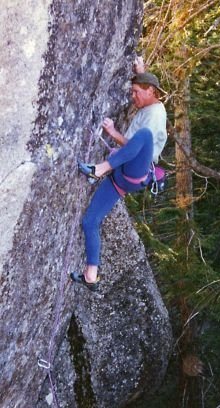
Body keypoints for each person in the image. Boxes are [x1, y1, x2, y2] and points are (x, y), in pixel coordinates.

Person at [70, 60, 167, 291]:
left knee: (143, 135)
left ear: (150, 91)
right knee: (90, 221)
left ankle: (99, 169)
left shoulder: (154, 116)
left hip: (136, 171)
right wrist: (141, 74)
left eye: (136, 92)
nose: (133, 97)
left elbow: (138, 146)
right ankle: (91, 274)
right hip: (122, 178)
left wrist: (113, 132)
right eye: (132, 92)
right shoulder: (150, 103)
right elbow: (145, 91)